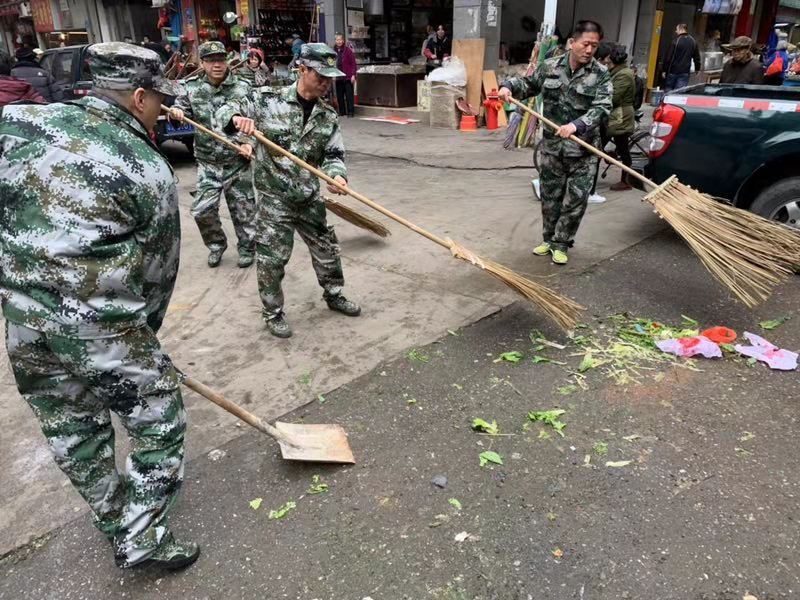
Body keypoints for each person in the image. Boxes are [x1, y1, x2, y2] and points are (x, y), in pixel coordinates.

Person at [0, 42, 197, 570]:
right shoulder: (146, 168)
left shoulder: (15, 123)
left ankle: (116, 520)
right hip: (104, 327)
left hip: (23, 323)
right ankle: (142, 539)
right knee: (160, 421)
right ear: (137, 97)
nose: (161, 108)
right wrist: (142, 338)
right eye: (158, 99)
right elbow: (158, 274)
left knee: (72, 428)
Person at [220, 43, 361, 338]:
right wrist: (236, 119)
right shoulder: (266, 100)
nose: (325, 83)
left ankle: (333, 294)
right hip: (275, 199)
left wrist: (337, 176)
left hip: (308, 197)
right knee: (273, 259)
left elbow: (333, 155)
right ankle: (273, 312)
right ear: (303, 69)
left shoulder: (327, 116)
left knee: (326, 251)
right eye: (319, 75)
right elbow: (226, 108)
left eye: (329, 77)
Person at [498, 20, 612, 265]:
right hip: (552, 149)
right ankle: (548, 239)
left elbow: (603, 107)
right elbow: (528, 85)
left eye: (595, 45)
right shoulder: (549, 67)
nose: (590, 50)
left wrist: (577, 125)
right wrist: (508, 87)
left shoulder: (600, 74)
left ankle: (562, 243)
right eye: (586, 44)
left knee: (575, 201)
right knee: (550, 198)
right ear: (572, 42)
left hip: (583, 151)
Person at [169, 40, 256, 268]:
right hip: (208, 162)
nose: (217, 64)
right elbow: (180, 110)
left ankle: (247, 247)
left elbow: (257, 120)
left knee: (244, 211)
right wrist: (176, 112)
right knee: (202, 210)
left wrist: (249, 143)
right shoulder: (191, 87)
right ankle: (217, 244)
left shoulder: (243, 87)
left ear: (226, 61)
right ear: (202, 63)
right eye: (211, 60)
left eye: (221, 59)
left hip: (237, 160)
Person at [606, 44, 636, 192]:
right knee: (615, 144)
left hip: (621, 116)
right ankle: (610, 154)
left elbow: (614, 97)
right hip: (615, 115)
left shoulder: (624, 74)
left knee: (623, 148)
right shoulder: (616, 72)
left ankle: (626, 180)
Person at [662, 23, 701, 91]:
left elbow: (668, 57)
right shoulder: (693, 41)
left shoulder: (675, 41)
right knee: (679, 92)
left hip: (672, 71)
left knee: (668, 91)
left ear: (681, 29)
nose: (676, 31)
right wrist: (697, 69)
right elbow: (697, 57)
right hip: (684, 72)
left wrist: (664, 70)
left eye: (677, 29)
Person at [334, 33, 357, 117]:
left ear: (343, 41)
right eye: (337, 40)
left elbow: (353, 63)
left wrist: (353, 75)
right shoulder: (333, 51)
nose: (339, 41)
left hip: (347, 76)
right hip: (338, 77)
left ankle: (350, 112)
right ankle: (342, 112)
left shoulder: (348, 51)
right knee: (340, 96)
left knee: (349, 96)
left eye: (340, 40)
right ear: (335, 41)